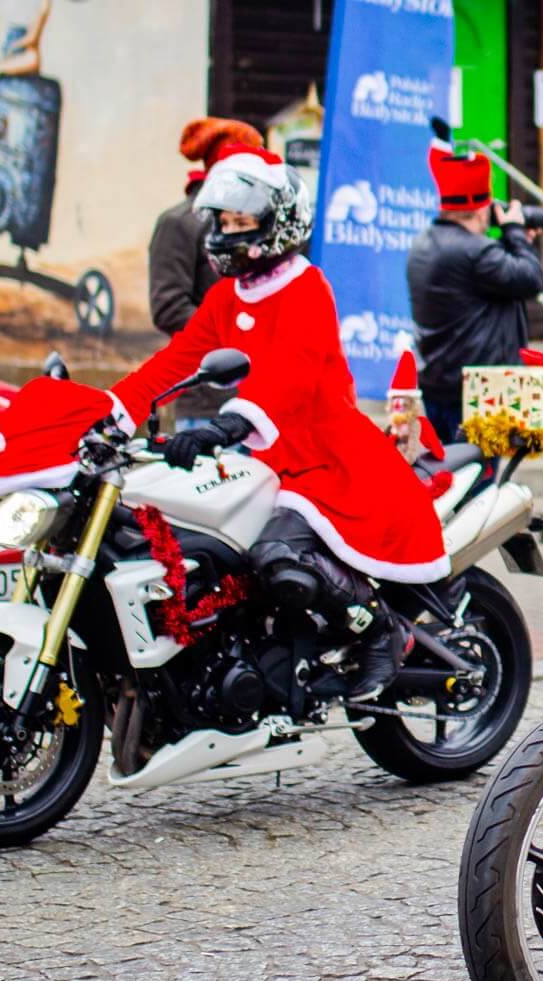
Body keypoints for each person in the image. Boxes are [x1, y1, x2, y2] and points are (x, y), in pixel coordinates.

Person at [110, 146, 449, 701]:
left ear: (277, 223)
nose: (227, 233)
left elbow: (292, 378)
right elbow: (176, 362)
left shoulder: (306, 288)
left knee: (278, 559)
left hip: (328, 457)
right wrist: (112, 409)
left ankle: (382, 632)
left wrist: (225, 427)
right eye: (223, 222)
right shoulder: (226, 297)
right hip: (267, 457)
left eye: (240, 222)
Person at [406, 127, 543, 441]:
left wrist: (513, 241)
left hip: (438, 387)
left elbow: (481, 285)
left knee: (449, 468)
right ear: (481, 210)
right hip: (478, 395)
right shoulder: (477, 252)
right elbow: (530, 279)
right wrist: (516, 234)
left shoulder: (423, 243)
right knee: (479, 471)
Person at [150, 118, 263, 337]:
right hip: (205, 355)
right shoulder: (178, 223)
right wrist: (234, 334)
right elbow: (169, 310)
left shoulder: (253, 222)